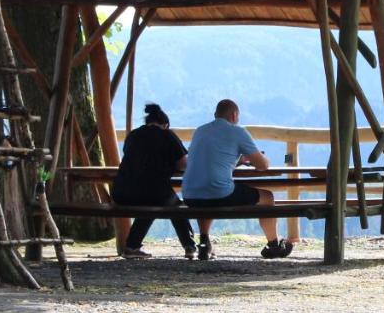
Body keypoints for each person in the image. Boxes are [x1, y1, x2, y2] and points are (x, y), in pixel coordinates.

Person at [183, 99, 292, 260]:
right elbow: (263, 165)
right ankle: (273, 245)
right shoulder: (238, 132)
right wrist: (261, 157)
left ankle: (204, 242)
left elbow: (211, 161)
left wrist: (237, 160)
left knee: (206, 191)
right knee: (267, 197)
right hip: (220, 193)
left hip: (190, 195)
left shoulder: (200, 131)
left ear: (215, 115)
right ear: (234, 115)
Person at [112, 103, 196, 260]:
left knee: (150, 204)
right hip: (153, 191)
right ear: (165, 124)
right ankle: (189, 247)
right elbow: (184, 164)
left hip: (121, 190)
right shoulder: (167, 135)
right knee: (174, 206)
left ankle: (132, 246)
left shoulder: (133, 135)